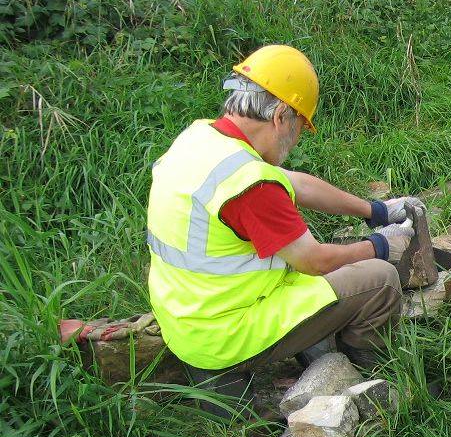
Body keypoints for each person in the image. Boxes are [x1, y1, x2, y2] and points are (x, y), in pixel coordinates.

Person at [145, 44, 414, 402]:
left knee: (309, 254)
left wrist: (375, 211)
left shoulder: (203, 140)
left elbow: (297, 183)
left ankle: (317, 349)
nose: (298, 135)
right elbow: (313, 261)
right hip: (227, 334)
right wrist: (381, 245)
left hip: (188, 319)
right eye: (301, 124)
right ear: (280, 115)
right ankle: (370, 382)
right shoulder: (250, 185)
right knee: (380, 280)